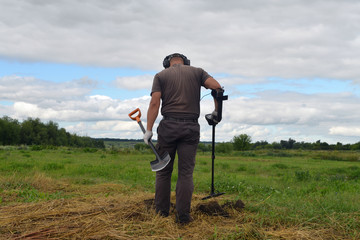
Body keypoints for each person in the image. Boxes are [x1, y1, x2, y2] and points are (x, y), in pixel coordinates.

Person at [143, 53, 222, 224]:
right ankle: (183, 216)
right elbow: (217, 88)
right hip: (190, 127)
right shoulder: (198, 72)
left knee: (163, 172)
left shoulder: (160, 76)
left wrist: (148, 130)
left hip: (168, 127)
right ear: (186, 62)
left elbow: (154, 103)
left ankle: (161, 212)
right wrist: (217, 112)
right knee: (186, 173)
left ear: (167, 64)